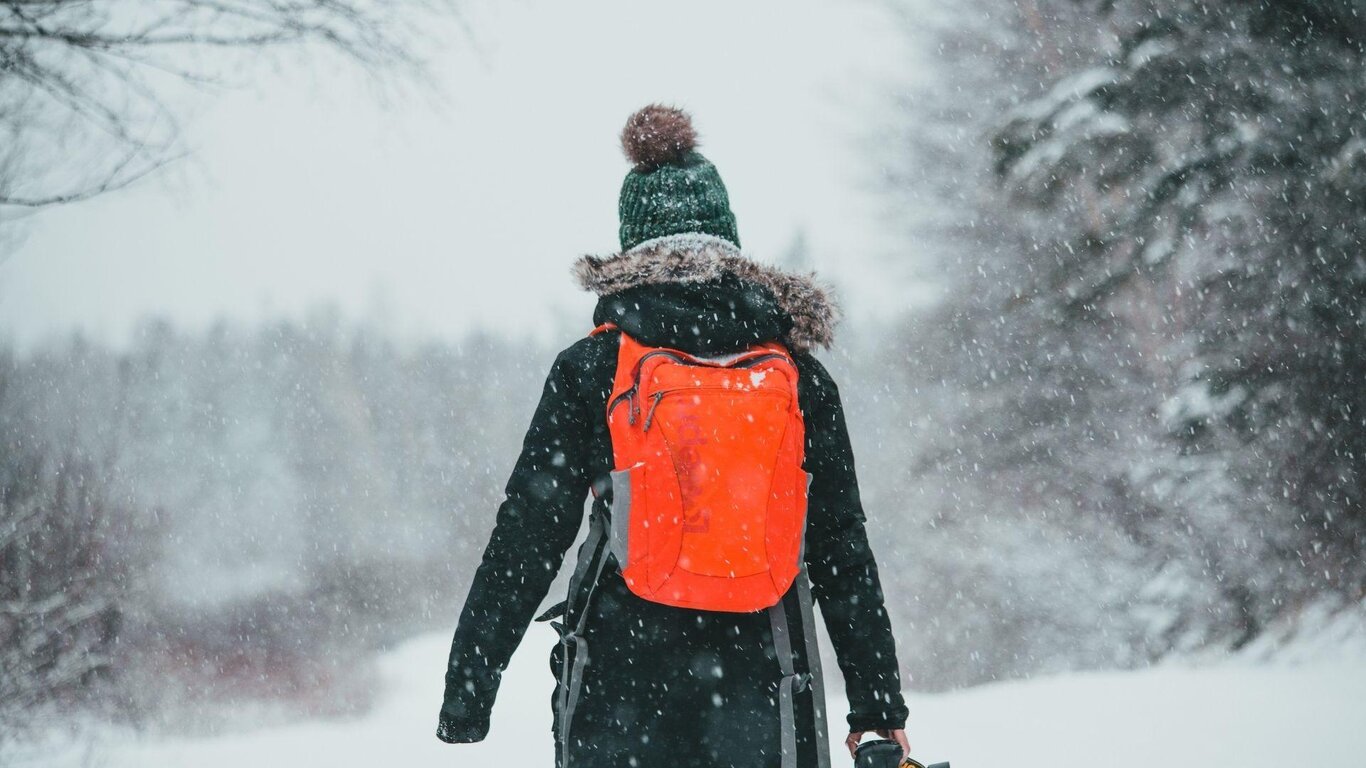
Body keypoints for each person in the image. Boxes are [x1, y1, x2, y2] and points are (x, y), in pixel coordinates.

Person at [436, 104, 910, 768]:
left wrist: (469, 690)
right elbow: (841, 549)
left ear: (631, 248)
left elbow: (528, 533)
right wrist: (878, 709)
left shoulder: (595, 368)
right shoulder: (799, 377)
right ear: (731, 242)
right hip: (765, 678)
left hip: (620, 682)